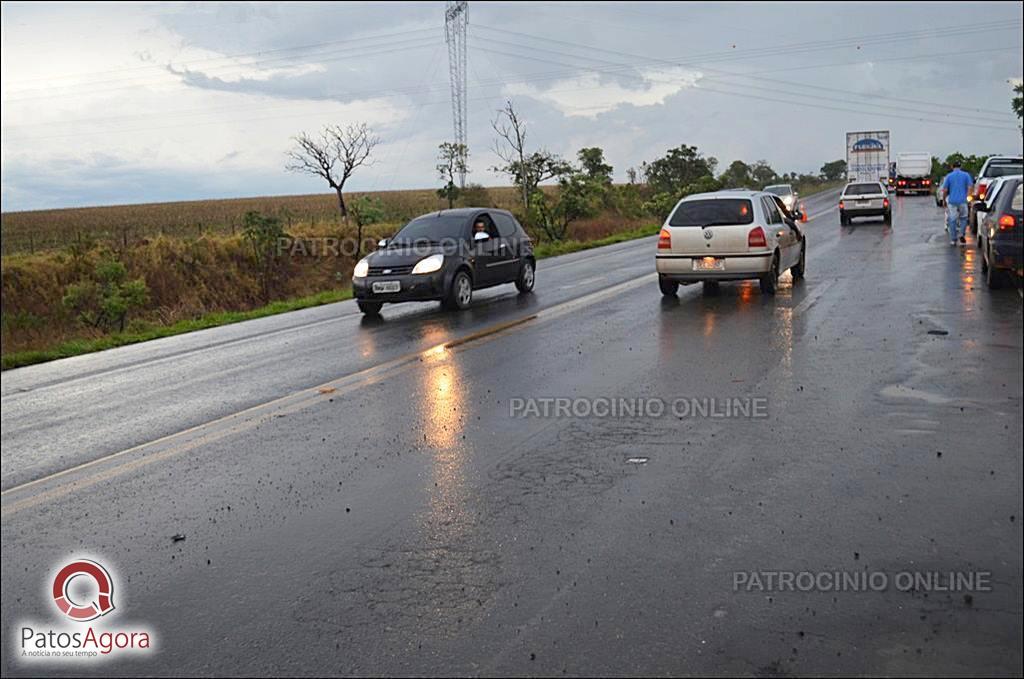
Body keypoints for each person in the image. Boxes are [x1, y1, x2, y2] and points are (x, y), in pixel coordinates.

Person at [940, 161, 974, 246]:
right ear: (960, 166)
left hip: (952, 201)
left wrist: (944, 200)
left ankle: (953, 239)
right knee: (964, 218)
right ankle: (962, 234)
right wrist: (968, 197)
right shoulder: (966, 175)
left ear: (952, 167)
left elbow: (945, 190)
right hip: (963, 201)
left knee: (952, 219)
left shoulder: (949, 176)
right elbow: (970, 187)